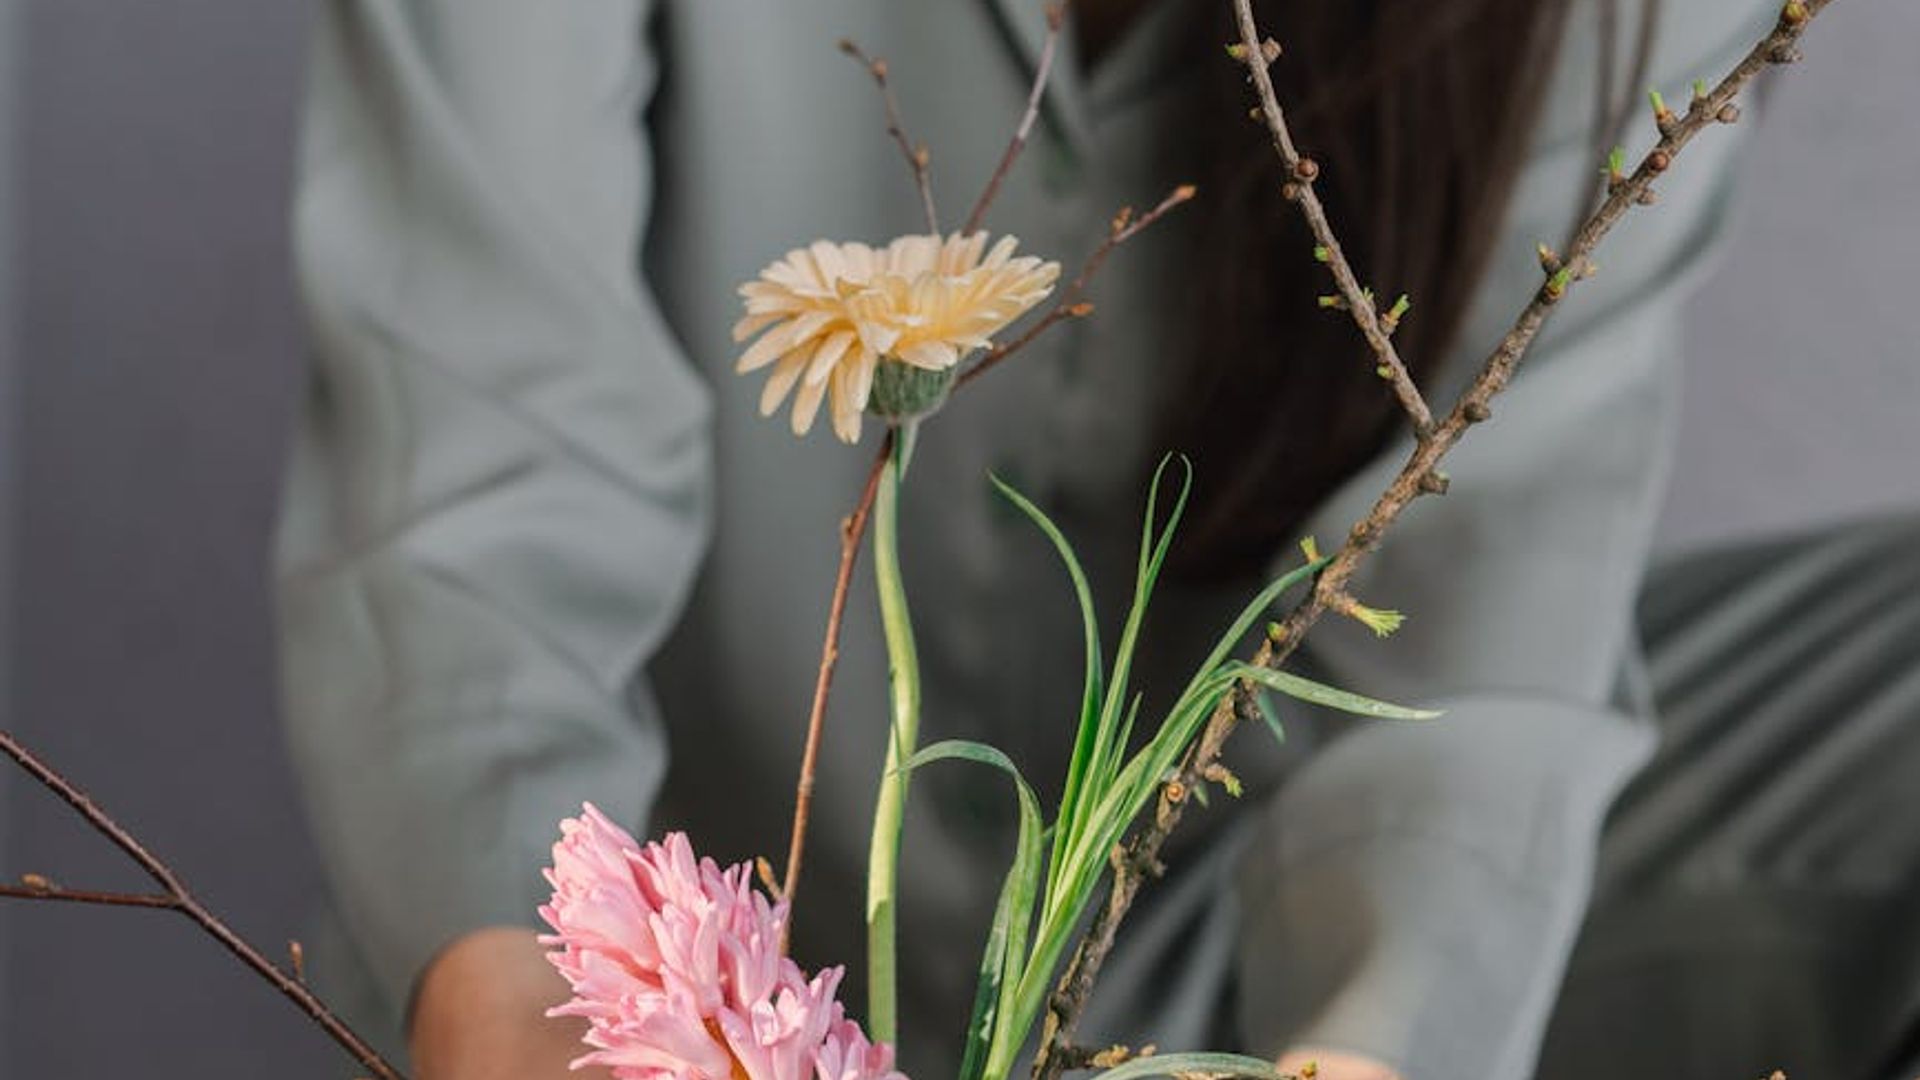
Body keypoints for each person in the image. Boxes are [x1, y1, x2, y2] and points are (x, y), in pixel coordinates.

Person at [274, 2, 1920, 1078]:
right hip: (697, 935)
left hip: (1237, 919)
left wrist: (1375, 1045)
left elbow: (1477, 621)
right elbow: (477, 480)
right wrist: (523, 997)